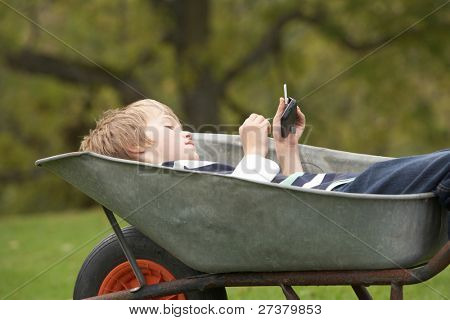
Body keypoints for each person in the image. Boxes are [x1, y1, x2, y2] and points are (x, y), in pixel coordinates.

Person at [79, 98, 449, 235]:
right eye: (171, 127)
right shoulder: (183, 183)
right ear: (138, 146)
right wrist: (253, 150)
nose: (187, 132)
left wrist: (286, 149)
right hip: (353, 196)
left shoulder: (191, 174)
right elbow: (249, 205)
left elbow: (286, 199)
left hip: (344, 195)